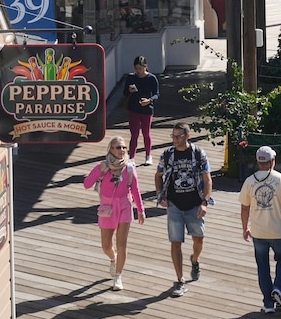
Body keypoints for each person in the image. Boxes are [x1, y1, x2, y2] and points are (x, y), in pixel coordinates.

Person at [239, 145, 281, 313]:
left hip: (258, 232)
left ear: (258, 161)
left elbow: (244, 208)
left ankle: (268, 304)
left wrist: (245, 227)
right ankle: (279, 288)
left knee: (262, 266)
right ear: (272, 161)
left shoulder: (249, 181)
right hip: (278, 231)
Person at [155, 124, 213, 296]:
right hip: (174, 204)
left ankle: (195, 260)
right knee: (175, 241)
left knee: (199, 238)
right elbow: (158, 176)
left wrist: (205, 202)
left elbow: (207, 179)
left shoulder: (198, 153)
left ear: (188, 136)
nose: (175, 140)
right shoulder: (167, 155)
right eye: (173, 136)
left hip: (195, 203)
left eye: (178, 136)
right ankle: (180, 280)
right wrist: (160, 195)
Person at [83, 137, 145, 291]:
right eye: (118, 147)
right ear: (111, 149)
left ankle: (118, 276)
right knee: (106, 245)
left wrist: (141, 210)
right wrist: (100, 170)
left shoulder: (129, 168)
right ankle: (113, 258)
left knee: (121, 244)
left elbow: (135, 190)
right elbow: (86, 184)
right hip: (107, 208)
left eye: (124, 147)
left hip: (125, 205)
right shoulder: (103, 166)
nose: (122, 150)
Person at [120, 56, 160, 166]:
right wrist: (129, 90)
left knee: (146, 133)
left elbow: (157, 94)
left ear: (145, 67)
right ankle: (132, 157)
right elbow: (125, 93)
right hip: (133, 109)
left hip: (147, 109)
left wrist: (149, 100)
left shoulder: (151, 78)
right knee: (134, 134)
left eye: (140, 68)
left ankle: (148, 155)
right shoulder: (131, 77)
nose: (138, 71)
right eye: (136, 68)